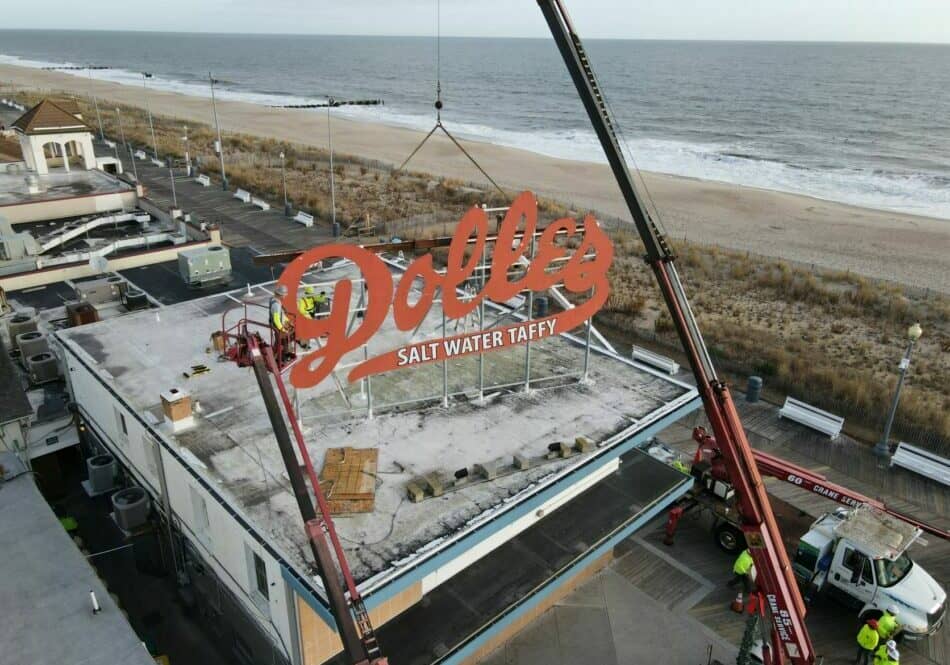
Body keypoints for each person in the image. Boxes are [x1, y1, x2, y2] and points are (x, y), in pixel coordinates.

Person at [729, 548, 755, 613]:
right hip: (740, 571)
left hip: (740, 571)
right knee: (745, 581)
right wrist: (745, 573)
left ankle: (731, 584)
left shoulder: (746, 554)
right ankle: (748, 590)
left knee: (738, 580)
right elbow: (740, 566)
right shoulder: (745, 558)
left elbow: (751, 561)